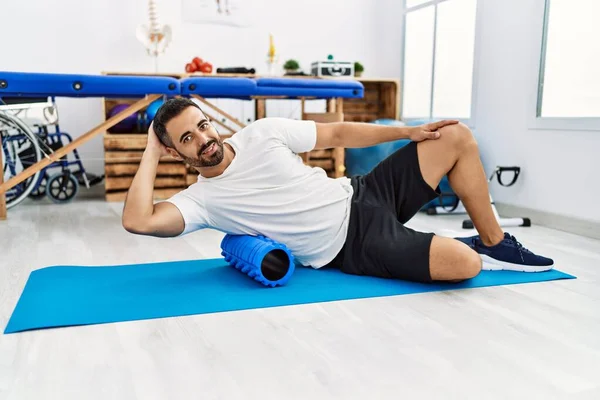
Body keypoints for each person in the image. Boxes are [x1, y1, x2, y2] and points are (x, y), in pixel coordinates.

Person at [122, 98, 553, 283]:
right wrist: (149, 151)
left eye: (202, 126)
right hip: (354, 245)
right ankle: (467, 247)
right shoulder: (201, 201)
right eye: (187, 140)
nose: (203, 140)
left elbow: (339, 131)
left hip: (362, 192)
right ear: (177, 153)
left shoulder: (263, 133)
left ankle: (495, 241)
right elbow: (139, 220)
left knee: (454, 136)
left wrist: (409, 132)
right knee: (464, 266)